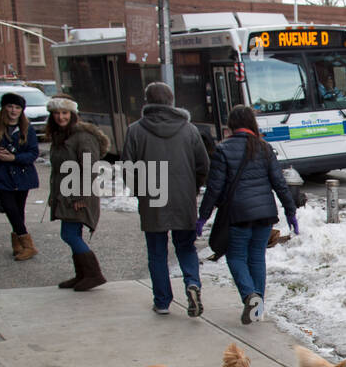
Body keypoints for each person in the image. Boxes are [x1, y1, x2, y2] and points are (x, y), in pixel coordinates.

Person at [197, 105, 299, 324]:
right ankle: (257, 308)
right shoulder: (264, 148)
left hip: (238, 215)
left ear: (231, 125)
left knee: (236, 256)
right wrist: (290, 212)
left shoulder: (223, 149)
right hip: (264, 214)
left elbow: (214, 188)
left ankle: (249, 295)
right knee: (256, 257)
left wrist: (202, 216)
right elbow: (279, 184)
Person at [122, 81, 210, 316]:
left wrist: (141, 191)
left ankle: (162, 301)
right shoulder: (189, 129)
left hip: (152, 199)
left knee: (157, 252)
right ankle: (192, 283)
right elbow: (203, 165)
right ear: (172, 101)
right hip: (183, 198)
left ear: (146, 101)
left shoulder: (135, 130)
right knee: (185, 247)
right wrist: (193, 187)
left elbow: (128, 169)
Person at [46, 96, 110, 291]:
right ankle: (81, 275)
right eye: (56, 113)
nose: (60, 117)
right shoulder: (61, 136)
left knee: (69, 234)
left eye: (64, 113)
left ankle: (93, 274)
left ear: (73, 114)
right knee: (73, 233)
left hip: (78, 195)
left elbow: (89, 168)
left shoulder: (83, 137)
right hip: (66, 195)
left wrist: (80, 197)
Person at [0, 92, 40, 261]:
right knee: (10, 208)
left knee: (18, 210)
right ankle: (28, 245)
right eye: (10, 106)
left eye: (17, 107)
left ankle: (17, 244)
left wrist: (14, 158)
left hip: (22, 175)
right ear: (4, 108)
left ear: (21, 110)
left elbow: (33, 153)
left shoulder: (27, 127)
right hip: (1, 175)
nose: (13, 110)